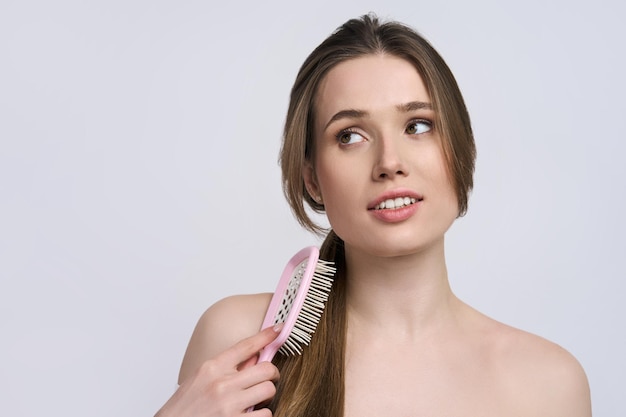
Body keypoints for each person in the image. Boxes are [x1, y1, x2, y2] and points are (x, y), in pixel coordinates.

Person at [155, 14, 591, 417]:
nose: (390, 161)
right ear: (311, 178)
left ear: (459, 150)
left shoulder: (548, 383)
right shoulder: (240, 341)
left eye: (418, 125)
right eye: (350, 135)